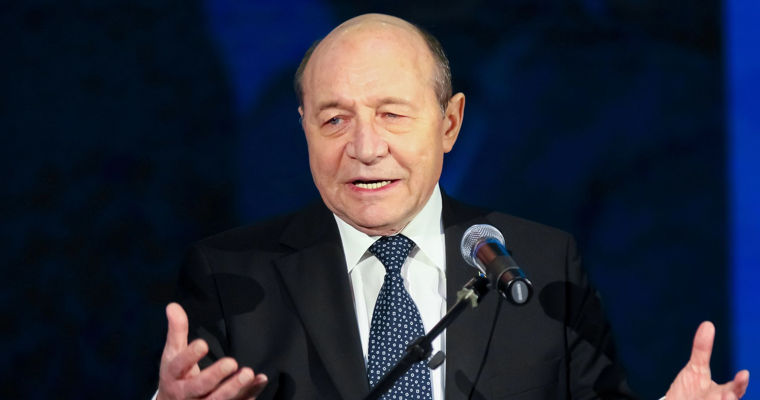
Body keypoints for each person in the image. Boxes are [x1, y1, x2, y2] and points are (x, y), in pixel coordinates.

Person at [155, 13, 750, 400]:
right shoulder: (232, 272)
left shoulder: (543, 262)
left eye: (392, 115)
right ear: (304, 129)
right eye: (335, 121)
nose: (366, 148)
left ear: (449, 123)